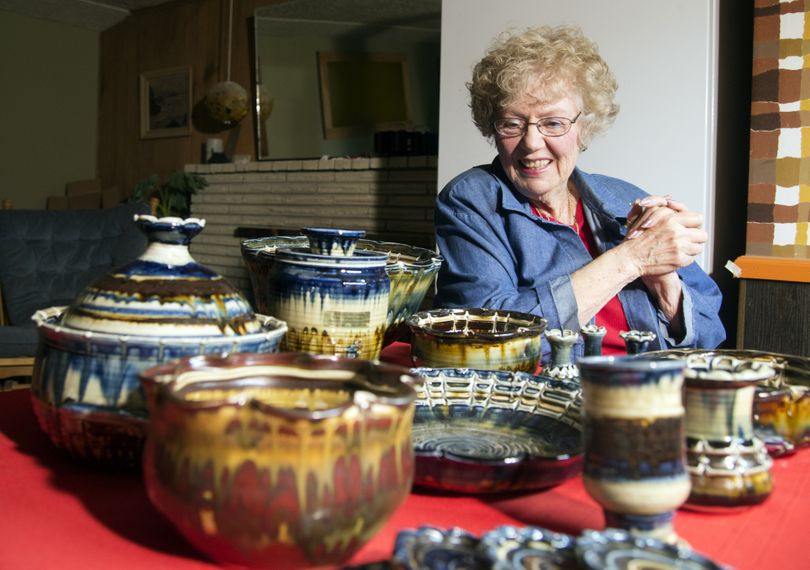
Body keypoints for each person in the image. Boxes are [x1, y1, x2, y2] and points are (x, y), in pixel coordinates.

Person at [433, 25, 725, 360]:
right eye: (512, 123)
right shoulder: (472, 199)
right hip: (548, 399)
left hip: (647, 391)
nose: (531, 143)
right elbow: (490, 343)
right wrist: (631, 259)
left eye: (553, 123)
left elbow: (710, 335)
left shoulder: (623, 197)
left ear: (583, 128)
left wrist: (664, 285)